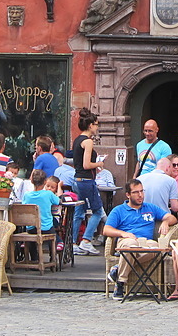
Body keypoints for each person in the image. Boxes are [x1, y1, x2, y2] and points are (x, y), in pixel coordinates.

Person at [103, 179, 177, 300]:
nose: (140, 195)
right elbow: (106, 230)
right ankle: (121, 283)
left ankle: (117, 270)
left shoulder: (150, 207)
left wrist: (166, 222)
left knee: (158, 248)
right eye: (136, 192)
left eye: (142, 191)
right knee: (131, 246)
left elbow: (172, 218)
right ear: (128, 194)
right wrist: (123, 233)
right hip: (127, 240)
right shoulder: (119, 210)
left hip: (146, 242)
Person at [72, 108, 106, 255]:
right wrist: (98, 164)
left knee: (79, 212)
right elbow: (86, 165)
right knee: (97, 211)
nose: (97, 127)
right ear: (90, 125)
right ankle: (86, 240)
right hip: (86, 180)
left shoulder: (77, 140)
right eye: (96, 125)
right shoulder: (88, 142)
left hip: (78, 179)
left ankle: (73, 242)